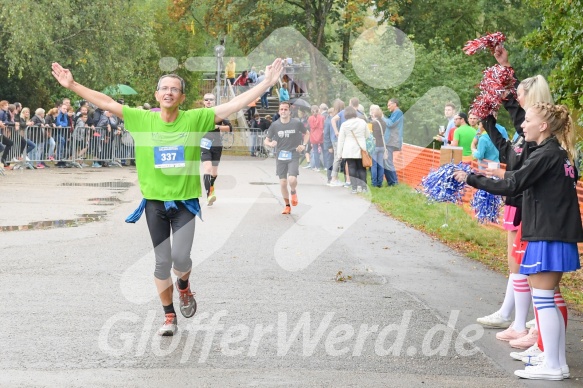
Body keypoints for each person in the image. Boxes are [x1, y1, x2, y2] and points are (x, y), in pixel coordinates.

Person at [51, 58, 284, 336]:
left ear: (182, 97)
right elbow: (107, 103)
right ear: (157, 95)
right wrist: (72, 84)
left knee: (181, 259)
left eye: (175, 89)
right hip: (154, 203)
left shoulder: (195, 119)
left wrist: (267, 83)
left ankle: (184, 286)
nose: (169, 92)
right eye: (164, 88)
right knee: (162, 262)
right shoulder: (142, 119)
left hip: (185, 203)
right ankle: (169, 315)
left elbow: (234, 105)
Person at [454, 103, 582, 381]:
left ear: (544, 126)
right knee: (548, 299)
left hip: (548, 233)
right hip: (552, 232)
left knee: (545, 300)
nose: (523, 125)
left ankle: (552, 364)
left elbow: (513, 185)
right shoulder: (555, 153)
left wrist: (471, 179)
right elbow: (519, 178)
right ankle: (554, 362)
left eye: (529, 121)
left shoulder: (546, 154)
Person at [477, 46, 558, 361]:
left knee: (533, 270)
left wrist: (505, 69)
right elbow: (510, 149)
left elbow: (512, 108)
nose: (513, 100)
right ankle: (516, 318)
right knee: (519, 264)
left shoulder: (538, 130)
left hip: (533, 207)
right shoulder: (527, 128)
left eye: (518, 94)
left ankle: (534, 332)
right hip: (520, 198)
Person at [264, 101, 309, 214]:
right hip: (280, 156)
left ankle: (293, 191)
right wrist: (270, 144)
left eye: (285, 109)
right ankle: (287, 205)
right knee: (283, 183)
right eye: (281, 109)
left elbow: (307, 133)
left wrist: (303, 145)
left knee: (292, 179)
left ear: (289, 111)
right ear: (279, 111)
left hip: (293, 154)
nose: (283, 111)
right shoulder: (275, 125)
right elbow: (266, 140)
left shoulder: (296, 123)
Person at [200, 93, 232, 206]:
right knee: (207, 168)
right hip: (204, 144)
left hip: (217, 145)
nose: (208, 101)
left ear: (215, 101)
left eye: (211, 99)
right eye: (206, 99)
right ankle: (209, 195)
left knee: (214, 173)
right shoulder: (200, 114)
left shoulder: (219, 113)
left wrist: (217, 127)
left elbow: (229, 128)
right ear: (203, 102)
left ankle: (211, 186)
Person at [336, 106, 370, 193]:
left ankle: (354, 188)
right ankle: (364, 187)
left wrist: (339, 153)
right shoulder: (362, 122)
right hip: (360, 148)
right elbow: (367, 135)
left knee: (351, 168)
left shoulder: (344, 124)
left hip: (348, 149)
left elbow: (341, 140)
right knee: (361, 168)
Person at [384, 98, 404, 186]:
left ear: (395, 104)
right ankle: (391, 182)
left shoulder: (398, 113)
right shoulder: (394, 113)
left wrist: (382, 117)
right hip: (390, 140)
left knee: (388, 162)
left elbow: (390, 124)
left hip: (392, 140)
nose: (388, 107)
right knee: (386, 161)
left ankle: (394, 182)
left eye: (389, 105)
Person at [369, 105, 387, 188]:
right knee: (381, 165)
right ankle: (380, 183)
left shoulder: (372, 123)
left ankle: (374, 183)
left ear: (374, 115)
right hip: (382, 145)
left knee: (374, 165)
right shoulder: (384, 123)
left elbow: (369, 134)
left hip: (374, 146)